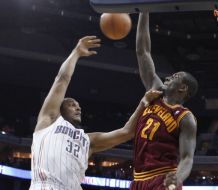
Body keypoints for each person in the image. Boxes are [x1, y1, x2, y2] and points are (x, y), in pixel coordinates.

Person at [29, 36, 162, 190]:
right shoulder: (49, 120)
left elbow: (127, 132)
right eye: (72, 105)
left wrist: (143, 102)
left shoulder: (88, 141)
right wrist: (76, 53)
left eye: (78, 106)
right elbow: (62, 79)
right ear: (59, 109)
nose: (78, 108)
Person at [131, 13, 199, 190]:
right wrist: (143, 11)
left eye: (175, 76)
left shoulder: (185, 118)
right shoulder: (155, 91)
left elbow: (187, 158)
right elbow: (142, 51)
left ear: (183, 88)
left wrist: (177, 178)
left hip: (163, 178)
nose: (168, 77)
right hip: (138, 180)